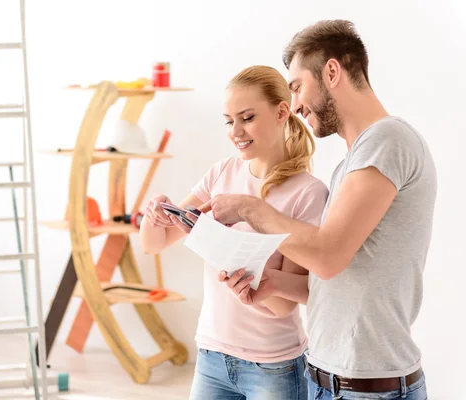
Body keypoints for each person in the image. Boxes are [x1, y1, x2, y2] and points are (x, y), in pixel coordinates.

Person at [208, 20, 436, 400]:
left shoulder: (387, 139)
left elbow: (328, 256)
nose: (294, 104)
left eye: (297, 87)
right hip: (331, 379)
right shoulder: (354, 160)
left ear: (332, 72)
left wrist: (251, 209)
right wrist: (276, 285)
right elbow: (342, 276)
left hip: (366, 388)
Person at [139, 65, 329, 400]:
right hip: (212, 356)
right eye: (229, 120)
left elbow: (285, 305)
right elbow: (154, 244)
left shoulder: (308, 193)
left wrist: (248, 277)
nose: (235, 131)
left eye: (247, 117)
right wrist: (155, 214)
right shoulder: (221, 174)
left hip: (273, 366)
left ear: (282, 112)